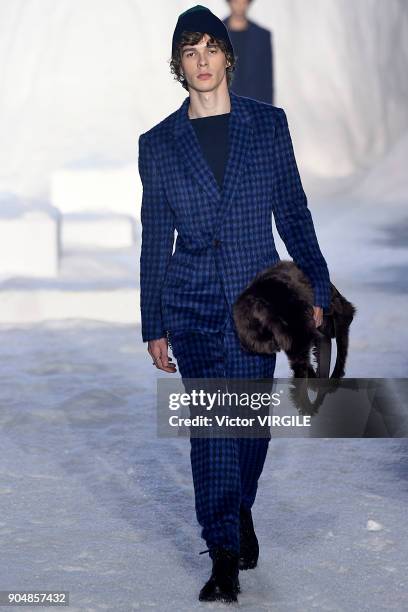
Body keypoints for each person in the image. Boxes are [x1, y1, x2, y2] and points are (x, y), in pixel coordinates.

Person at [138, 4, 330, 603]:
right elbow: (153, 238)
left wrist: (317, 288)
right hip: (191, 299)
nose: (201, 62)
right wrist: (154, 322)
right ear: (179, 64)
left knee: (248, 427)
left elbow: (293, 211)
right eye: (188, 52)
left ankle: (240, 507)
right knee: (212, 428)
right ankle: (222, 550)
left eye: (209, 49)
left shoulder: (268, 125)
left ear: (227, 56)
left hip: (259, 303)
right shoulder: (159, 143)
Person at [223, 0, 274, 104]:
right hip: (224, 104)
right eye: (236, 2)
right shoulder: (214, 33)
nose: (240, 6)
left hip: (255, 103)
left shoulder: (262, 35)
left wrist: (268, 111)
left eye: (244, 2)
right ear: (229, 2)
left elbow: (267, 77)